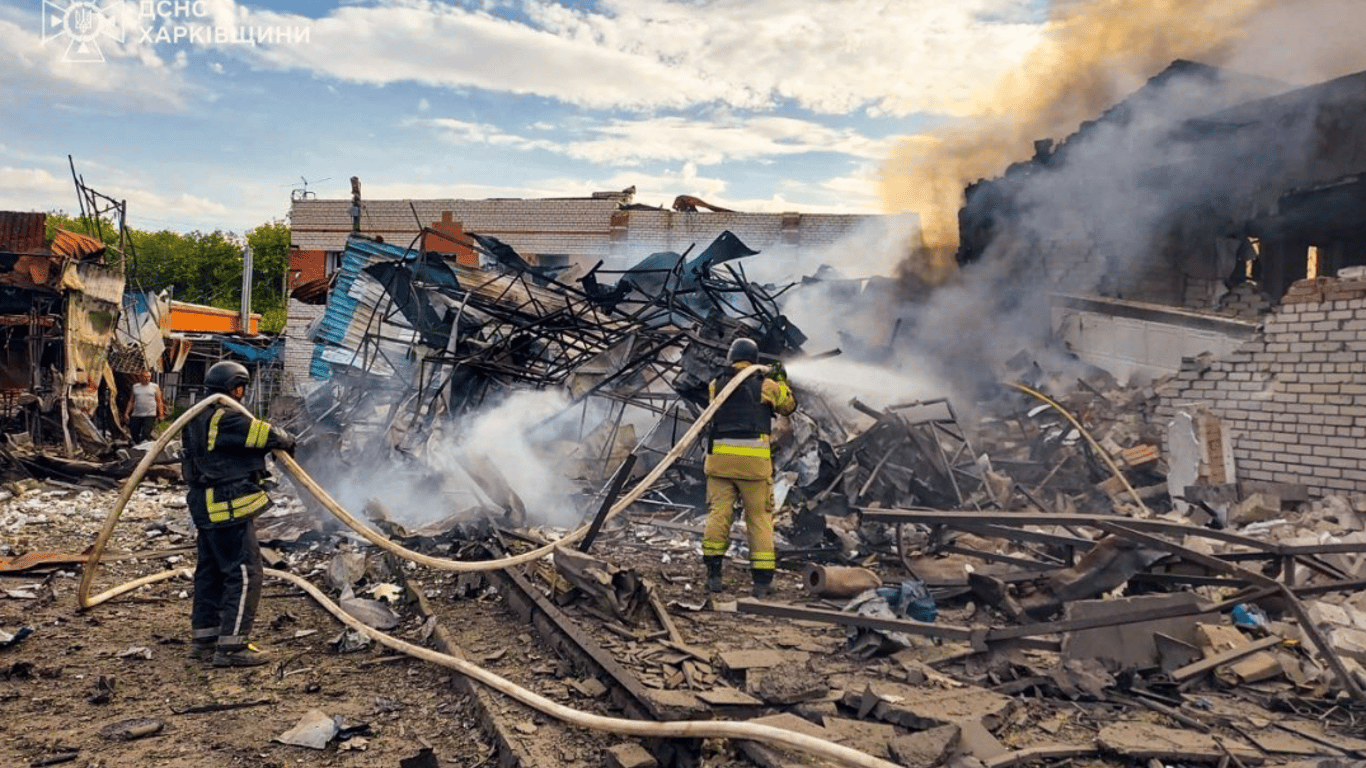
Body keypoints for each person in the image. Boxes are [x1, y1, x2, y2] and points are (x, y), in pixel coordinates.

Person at [181, 361, 295, 667]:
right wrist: (286, 437)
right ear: (237, 387)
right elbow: (271, 436)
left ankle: (205, 638)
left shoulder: (196, 417)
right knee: (245, 573)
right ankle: (232, 647)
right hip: (227, 505)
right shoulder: (226, 418)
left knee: (210, 572)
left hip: (204, 506)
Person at [701, 338, 797, 598]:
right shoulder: (767, 384)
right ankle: (762, 583)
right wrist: (780, 378)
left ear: (732, 358)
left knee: (718, 515)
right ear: (754, 359)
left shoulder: (715, 384)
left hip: (719, 461)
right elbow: (788, 405)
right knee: (759, 520)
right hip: (753, 465)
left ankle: (713, 576)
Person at [124, 370, 165, 443]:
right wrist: (127, 413)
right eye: (145, 377)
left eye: (149, 377)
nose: (147, 378)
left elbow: (159, 401)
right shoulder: (135, 387)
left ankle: (144, 447)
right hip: (137, 414)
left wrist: (161, 414)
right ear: (140, 377)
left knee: (146, 433)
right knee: (134, 432)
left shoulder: (155, 387)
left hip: (150, 414)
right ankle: (136, 446)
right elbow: (131, 401)